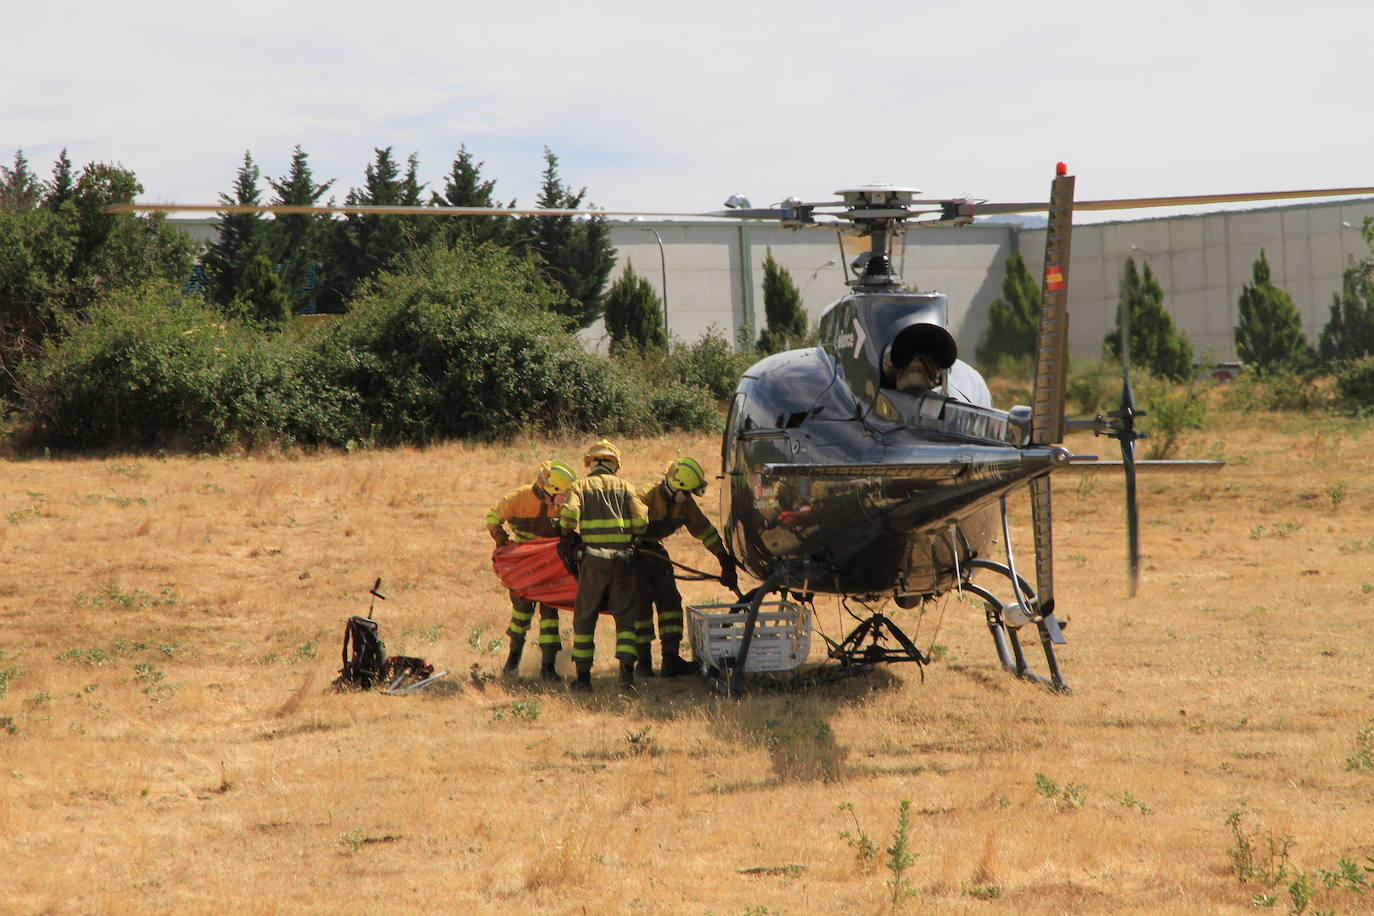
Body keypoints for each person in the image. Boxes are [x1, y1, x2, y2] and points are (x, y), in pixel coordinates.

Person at [633, 457, 738, 677]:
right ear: (676, 487)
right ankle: (643, 661)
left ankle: (670, 659)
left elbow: (705, 531)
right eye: (688, 492)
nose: (689, 498)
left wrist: (724, 559)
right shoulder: (645, 497)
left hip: (656, 552)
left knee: (670, 600)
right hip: (635, 554)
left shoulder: (685, 505)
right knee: (640, 604)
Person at [558, 439, 647, 693]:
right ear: (615, 465)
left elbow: (570, 516)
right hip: (623, 561)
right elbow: (641, 521)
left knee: (585, 618)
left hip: (593, 562)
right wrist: (630, 537)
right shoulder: (627, 487)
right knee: (626, 619)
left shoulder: (580, 486)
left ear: (590, 463)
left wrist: (567, 533)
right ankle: (627, 676)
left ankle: (584, 679)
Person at [486, 459, 578, 681]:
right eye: (562, 495)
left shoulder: (562, 504)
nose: (564, 500)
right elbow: (492, 517)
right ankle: (512, 664)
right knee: (521, 614)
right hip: (525, 568)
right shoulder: (518, 499)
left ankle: (548, 668)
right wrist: (500, 538)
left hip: (552, 568)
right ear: (550, 490)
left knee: (550, 615)